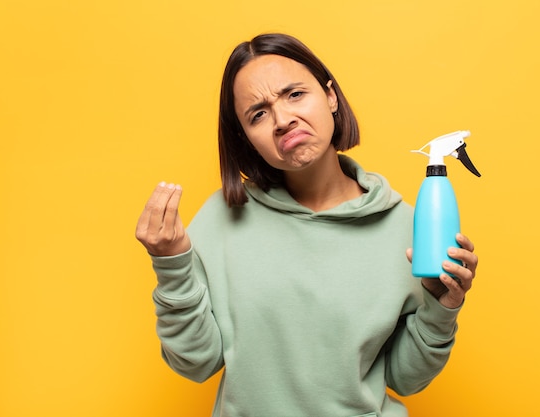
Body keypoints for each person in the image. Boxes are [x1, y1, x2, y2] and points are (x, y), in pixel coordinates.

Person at [135, 33, 478, 417]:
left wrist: (442, 306)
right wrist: (172, 263)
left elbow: (404, 378)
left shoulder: (408, 227)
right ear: (246, 138)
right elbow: (196, 363)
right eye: (258, 114)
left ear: (330, 96)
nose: (282, 120)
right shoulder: (221, 217)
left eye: (294, 94)